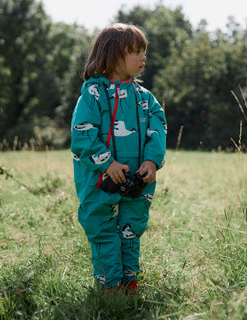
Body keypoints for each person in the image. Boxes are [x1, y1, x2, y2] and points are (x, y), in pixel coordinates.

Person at [70, 23, 167, 294]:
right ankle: (109, 285)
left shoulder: (145, 99)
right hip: (101, 180)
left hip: (137, 181)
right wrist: (107, 163)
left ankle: (129, 280)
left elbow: (157, 130)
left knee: (130, 229)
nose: (143, 57)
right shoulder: (93, 94)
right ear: (113, 54)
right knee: (102, 228)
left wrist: (151, 161)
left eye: (143, 51)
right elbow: (82, 135)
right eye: (135, 51)